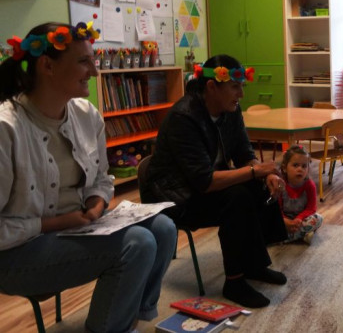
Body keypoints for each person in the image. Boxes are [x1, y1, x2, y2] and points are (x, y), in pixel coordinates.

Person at [0, 22, 177, 332]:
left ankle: (127, 322)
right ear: (47, 66)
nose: (94, 72)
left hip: (76, 229)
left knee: (163, 228)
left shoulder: (85, 113)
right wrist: (56, 223)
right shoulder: (6, 128)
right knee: (137, 243)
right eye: (84, 61)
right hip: (17, 253)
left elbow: (101, 178)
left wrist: (96, 202)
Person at [140, 54, 288, 309]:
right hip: (175, 198)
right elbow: (205, 181)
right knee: (237, 197)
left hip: (200, 187)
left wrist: (268, 174)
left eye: (242, 86)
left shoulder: (231, 110)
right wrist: (257, 170)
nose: (241, 94)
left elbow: (244, 153)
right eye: (235, 87)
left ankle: (254, 265)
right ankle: (234, 281)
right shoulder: (183, 117)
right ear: (211, 86)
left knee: (259, 185)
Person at [277, 145, 323, 244]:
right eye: (295, 165)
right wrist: (285, 221)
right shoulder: (281, 185)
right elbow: (277, 209)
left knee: (318, 218)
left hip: (302, 219)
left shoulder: (309, 185)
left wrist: (299, 218)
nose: (300, 169)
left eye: (304, 166)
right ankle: (302, 235)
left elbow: (311, 208)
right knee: (268, 219)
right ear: (284, 168)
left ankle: (286, 238)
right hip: (284, 219)